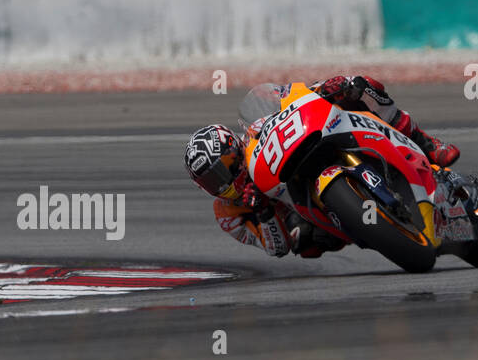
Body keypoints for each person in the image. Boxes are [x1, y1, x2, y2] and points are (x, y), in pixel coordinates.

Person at [182, 75, 460, 258]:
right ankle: (361, 223)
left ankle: (425, 142)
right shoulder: (227, 213)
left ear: (235, 149)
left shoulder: (254, 133)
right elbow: (276, 248)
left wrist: (326, 88)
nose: (224, 183)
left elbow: (290, 96)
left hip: (309, 143)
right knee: (304, 242)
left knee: (360, 85)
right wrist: (264, 212)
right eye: (212, 182)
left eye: (224, 169)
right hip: (300, 208)